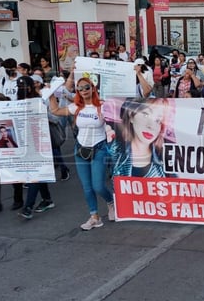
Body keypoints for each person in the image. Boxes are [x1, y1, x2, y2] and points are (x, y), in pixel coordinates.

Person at [49, 77, 113, 230]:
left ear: (92, 88)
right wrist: (51, 95)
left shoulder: (102, 107)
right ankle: (94, 217)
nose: (83, 91)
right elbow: (55, 111)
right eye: (80, 89)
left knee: (98, 186)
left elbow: (117, 120)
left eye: (86, 87)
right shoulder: (76, 107)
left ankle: (111, 202)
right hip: (80, 149)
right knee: (87, 187)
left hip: (99, 149)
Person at [16, 76, 56, 219]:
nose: (22, 89)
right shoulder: (17, 103)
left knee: (34, 174)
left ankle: (28, 207)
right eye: (19, 87)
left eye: (24, 86)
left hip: (40, 141)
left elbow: (53, 117)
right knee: (37, 174)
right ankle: (47, 199)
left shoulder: (40, 100)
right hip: (26, 142)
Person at [106, 98, 170, 177]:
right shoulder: (114, 148)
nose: (151, 126)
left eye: (158, 120)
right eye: (146, 115)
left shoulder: (166, 161)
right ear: (131, 115)